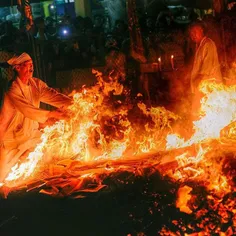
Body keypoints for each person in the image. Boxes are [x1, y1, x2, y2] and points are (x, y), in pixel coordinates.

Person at [0, 53, 72, 182]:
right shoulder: (13, 89)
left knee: (44, 161)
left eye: (32, 65)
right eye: (27, 66)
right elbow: (28, 110)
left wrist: (75, 103)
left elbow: (53, 96)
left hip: (31, 135)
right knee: (3, 177)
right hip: (12, 139)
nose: (31, 69)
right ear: (17, 68)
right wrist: (52, 114)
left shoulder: (36, 84)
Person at [188, 22, 222, 118]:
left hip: (209, 85)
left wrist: (198, 80)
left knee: (204, 112)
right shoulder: (199, 45)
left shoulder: (208, 44)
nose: (193, 36)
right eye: (191, 34)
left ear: (201, 30)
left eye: (195, 32)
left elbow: (207, 67)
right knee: (200, 113)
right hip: (202, 86)